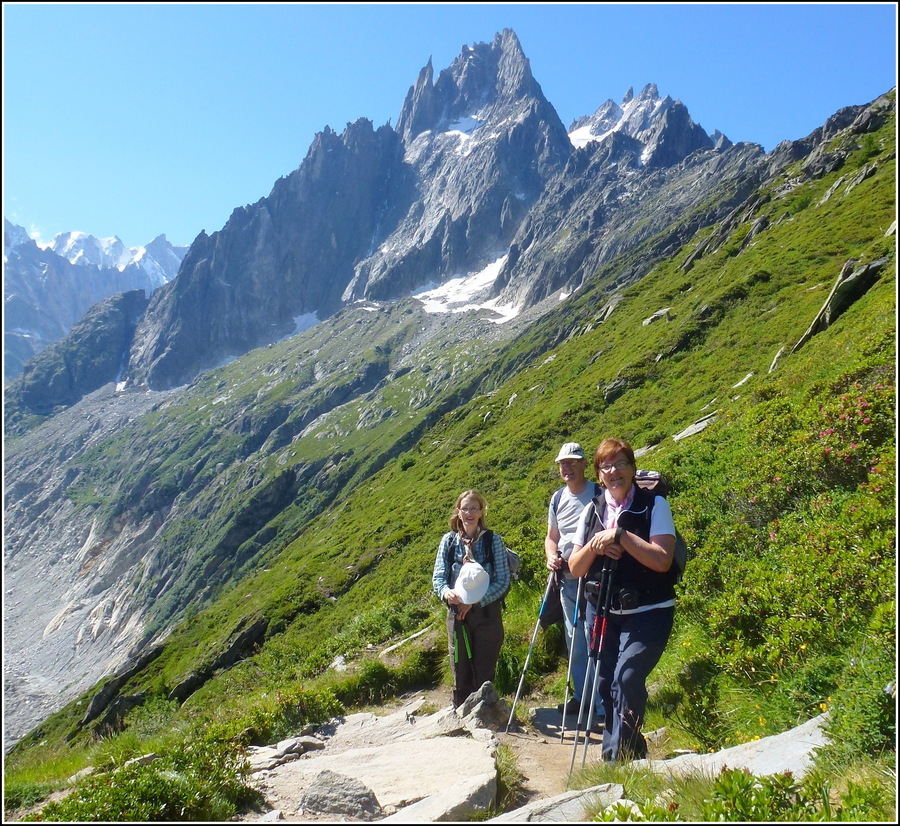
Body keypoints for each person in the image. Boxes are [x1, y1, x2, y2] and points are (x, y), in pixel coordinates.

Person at [568, 438, 677, 762]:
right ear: (598, 475)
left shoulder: (654, 505)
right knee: (605, 683)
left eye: (620, 464)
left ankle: (616, 759)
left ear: (632, 468)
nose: (614, 471)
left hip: (649, 610)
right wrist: (595, 546)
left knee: (626, 677)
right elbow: (575, 567)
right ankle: (628, 752)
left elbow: (662, 560)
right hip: (600, 610)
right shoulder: (591, 511)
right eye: (606, 466)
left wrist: (621, 537)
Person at [432, 489, 510, 709]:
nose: (469, 513)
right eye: (465, 508)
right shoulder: (448, 541)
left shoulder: (493, 541)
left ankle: (484, 711)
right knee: (460, 664)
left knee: (485, 665)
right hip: (456, 611)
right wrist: (446, 593)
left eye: (474, 508)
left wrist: (474, 601)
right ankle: (461, 711)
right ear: (458, 512)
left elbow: (503, 581)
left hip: (487, 613)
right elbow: (439, 577)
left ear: (481, 511)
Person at [544, 442, 603, 721]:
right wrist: (550, 555)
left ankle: (601, 702)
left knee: (596, 636)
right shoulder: (557, 498)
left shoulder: (599, 494)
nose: (566, 468)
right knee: (574, 638)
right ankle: (582, 697)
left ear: (583, 463)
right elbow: (552, 537)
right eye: (562, 464)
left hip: (595, 578)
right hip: (566, 578)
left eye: (571, 462)